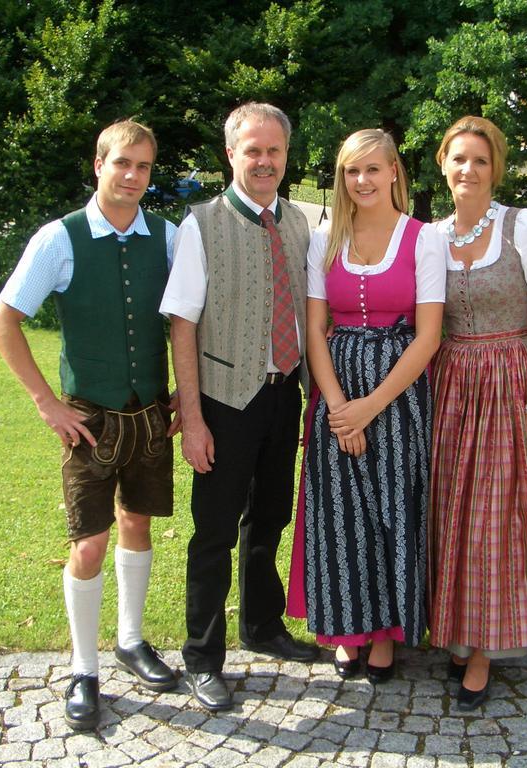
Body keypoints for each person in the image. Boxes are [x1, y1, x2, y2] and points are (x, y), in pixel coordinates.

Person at [0, 119, 179, 730]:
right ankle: (84, 667)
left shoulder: (168, 237)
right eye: (122, 163)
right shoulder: (60, 239)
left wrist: (185, 394)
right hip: (88, 420)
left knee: (138, 524)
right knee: (90, 541)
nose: (132, 176)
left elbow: (191, 317)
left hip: (150, 413)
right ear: (98, 165)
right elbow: (3, 320)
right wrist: (47, 402)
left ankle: (130, 640)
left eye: (144, 166)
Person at [160, 102, 318, 713]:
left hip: (284, 396)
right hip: (225, 401)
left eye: (274, 151)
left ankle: (263, 624)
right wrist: (193, 419)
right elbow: (182, 324)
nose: (264, 161)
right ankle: (202, 657)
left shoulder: (303, 223)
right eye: (252, 150)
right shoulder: (199, 225)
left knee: (271, 517)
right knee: (215, 532)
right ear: (231, 154)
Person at [290, 128, 445, 683]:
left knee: (392, 513)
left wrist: (369, 407)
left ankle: (385, 634)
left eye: (373, 170)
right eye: (352, 172)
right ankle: (346, 631)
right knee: (339, 517)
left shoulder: (423, 239)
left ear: (395, 172)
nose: (362, 181)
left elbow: (428, 337)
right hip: (334, 390)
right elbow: (315, 326)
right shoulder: (325, 237)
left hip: (398, 396)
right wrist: (337, 408)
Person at [428, 116, 527, 711]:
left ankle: (483, 649)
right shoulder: (431, 236)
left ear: (496, 168)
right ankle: (458, 633)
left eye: (480, 160)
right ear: (442, 164)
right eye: (459, 158)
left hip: (510, 383)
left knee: (494, 517)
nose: (468, 170)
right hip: (450, 386)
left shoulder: (523, 226)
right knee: (451, 512)